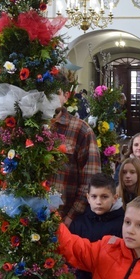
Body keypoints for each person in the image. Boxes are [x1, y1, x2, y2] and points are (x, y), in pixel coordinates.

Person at [68, 173, 125, 279]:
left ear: (115, 197)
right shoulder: (78, 224)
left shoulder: (123, 225)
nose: (98, 201)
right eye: (94, 196)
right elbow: (72, 264)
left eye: (104, 196)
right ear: (87, 197)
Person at [50, 78, 102, 223]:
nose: (49, 98)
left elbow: (91, 178)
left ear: (66, 96)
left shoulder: (80, 130)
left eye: (55, 92)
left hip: (65, 217)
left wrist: (71, 217)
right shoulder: (30, 129)